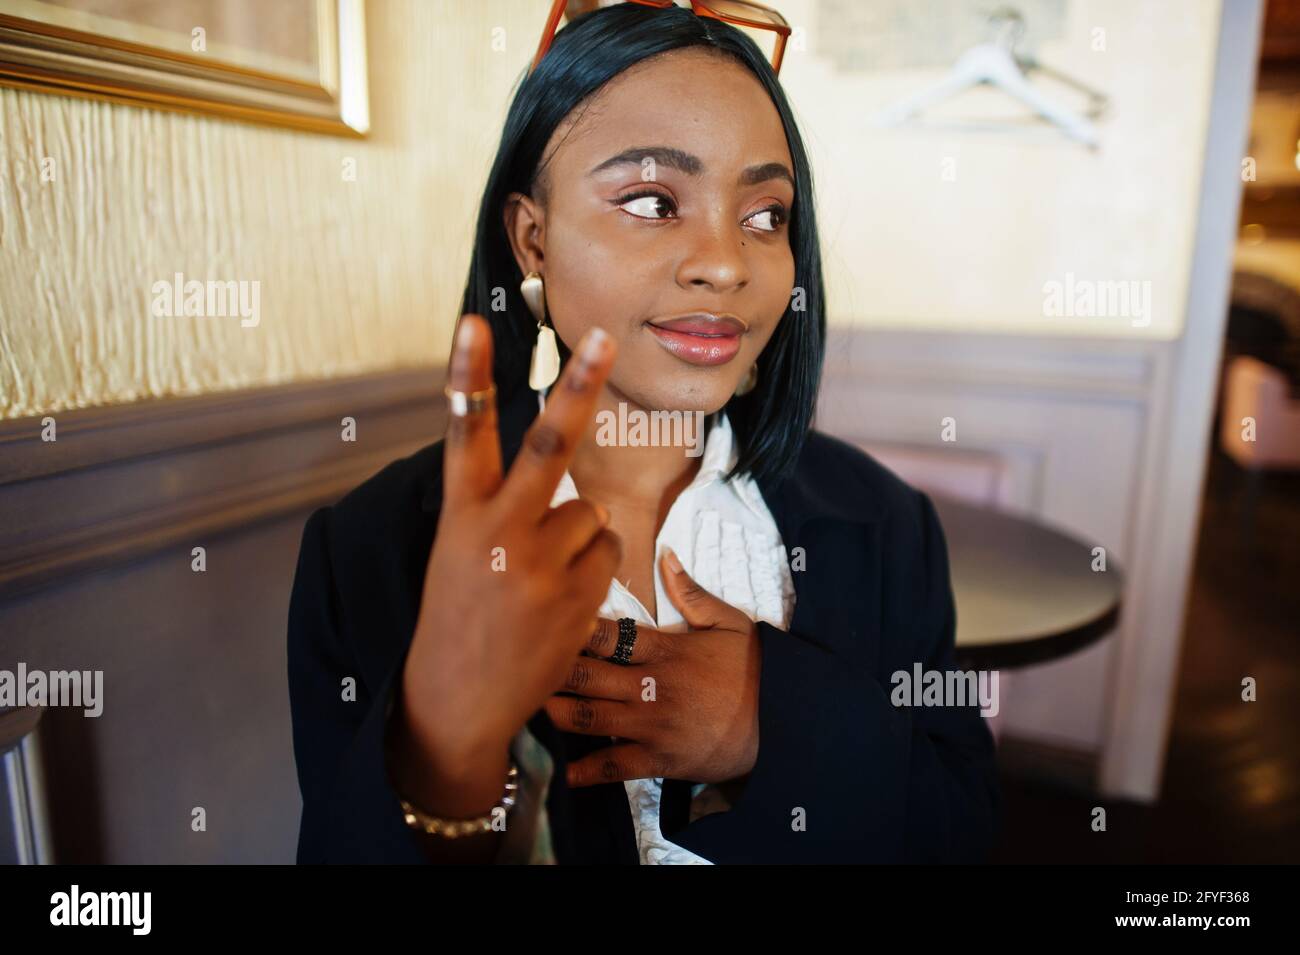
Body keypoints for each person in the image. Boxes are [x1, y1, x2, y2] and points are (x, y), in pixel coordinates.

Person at [287, 1, 998, 864]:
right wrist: (443, 747)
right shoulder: (368, 548)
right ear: (532, 237)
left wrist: (773, 723)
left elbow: (965, 828)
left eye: (766, 214)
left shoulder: (887, 525)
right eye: (655, 199)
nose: (728, 262)